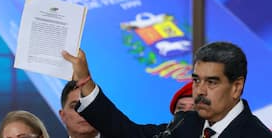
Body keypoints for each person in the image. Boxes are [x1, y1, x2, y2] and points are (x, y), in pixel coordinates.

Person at [62, 41, 272, 138]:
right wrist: (85, 80)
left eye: (212, 82)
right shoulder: (186, 123)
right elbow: (128, 133)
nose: (200, 91)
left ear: (236, 87)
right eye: (197, 80)